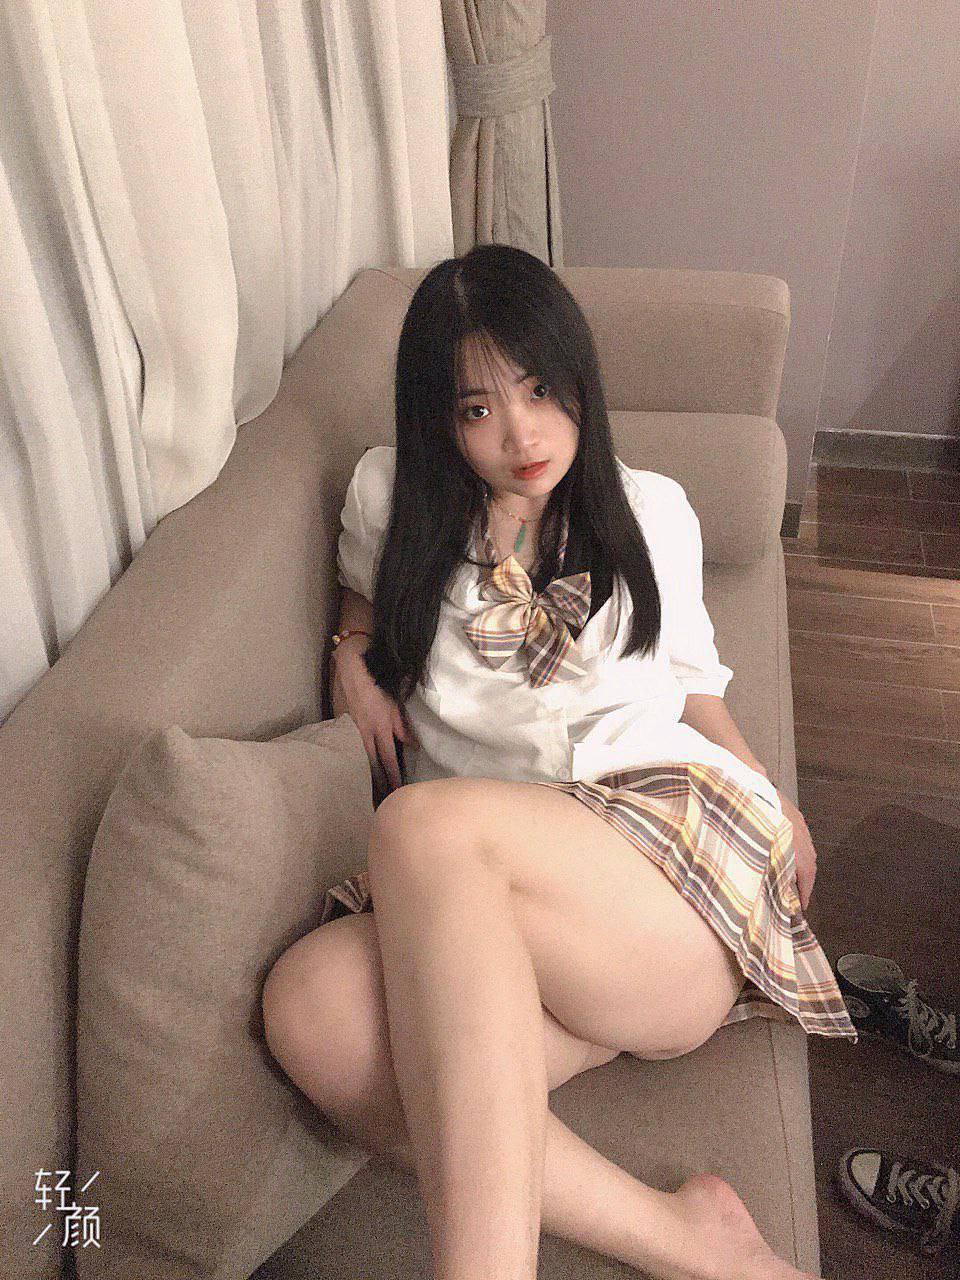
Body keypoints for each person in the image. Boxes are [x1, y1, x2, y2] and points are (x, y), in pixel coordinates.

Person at [260, 243, 856, 1280]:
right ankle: (688, 1240)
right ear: (439, 421)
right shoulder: (388, 497)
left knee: (420, 823)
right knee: (309, 1008)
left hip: (657, 862)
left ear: (579, 376)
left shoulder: (652, 510)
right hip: (487, 896)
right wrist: (352, 651)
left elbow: (692, 683)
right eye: (478, 408)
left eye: (539, 389)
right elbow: (362, 592)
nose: (521, 432)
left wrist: (774, 798)